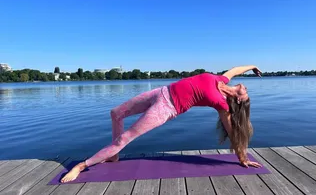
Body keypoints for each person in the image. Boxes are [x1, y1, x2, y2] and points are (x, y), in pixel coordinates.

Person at [60, 65, 262, 183]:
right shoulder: (222, 79)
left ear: (238, 100)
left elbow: (233, 132)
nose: (245, 88)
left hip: (167, 108)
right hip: (161, 91)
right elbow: (237, 69)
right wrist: (252, 66)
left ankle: (81, 166)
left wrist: (242, 157)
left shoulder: (221, 104)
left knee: (126, 137)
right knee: (116, 113)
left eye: (246, 93)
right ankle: (113, 156)